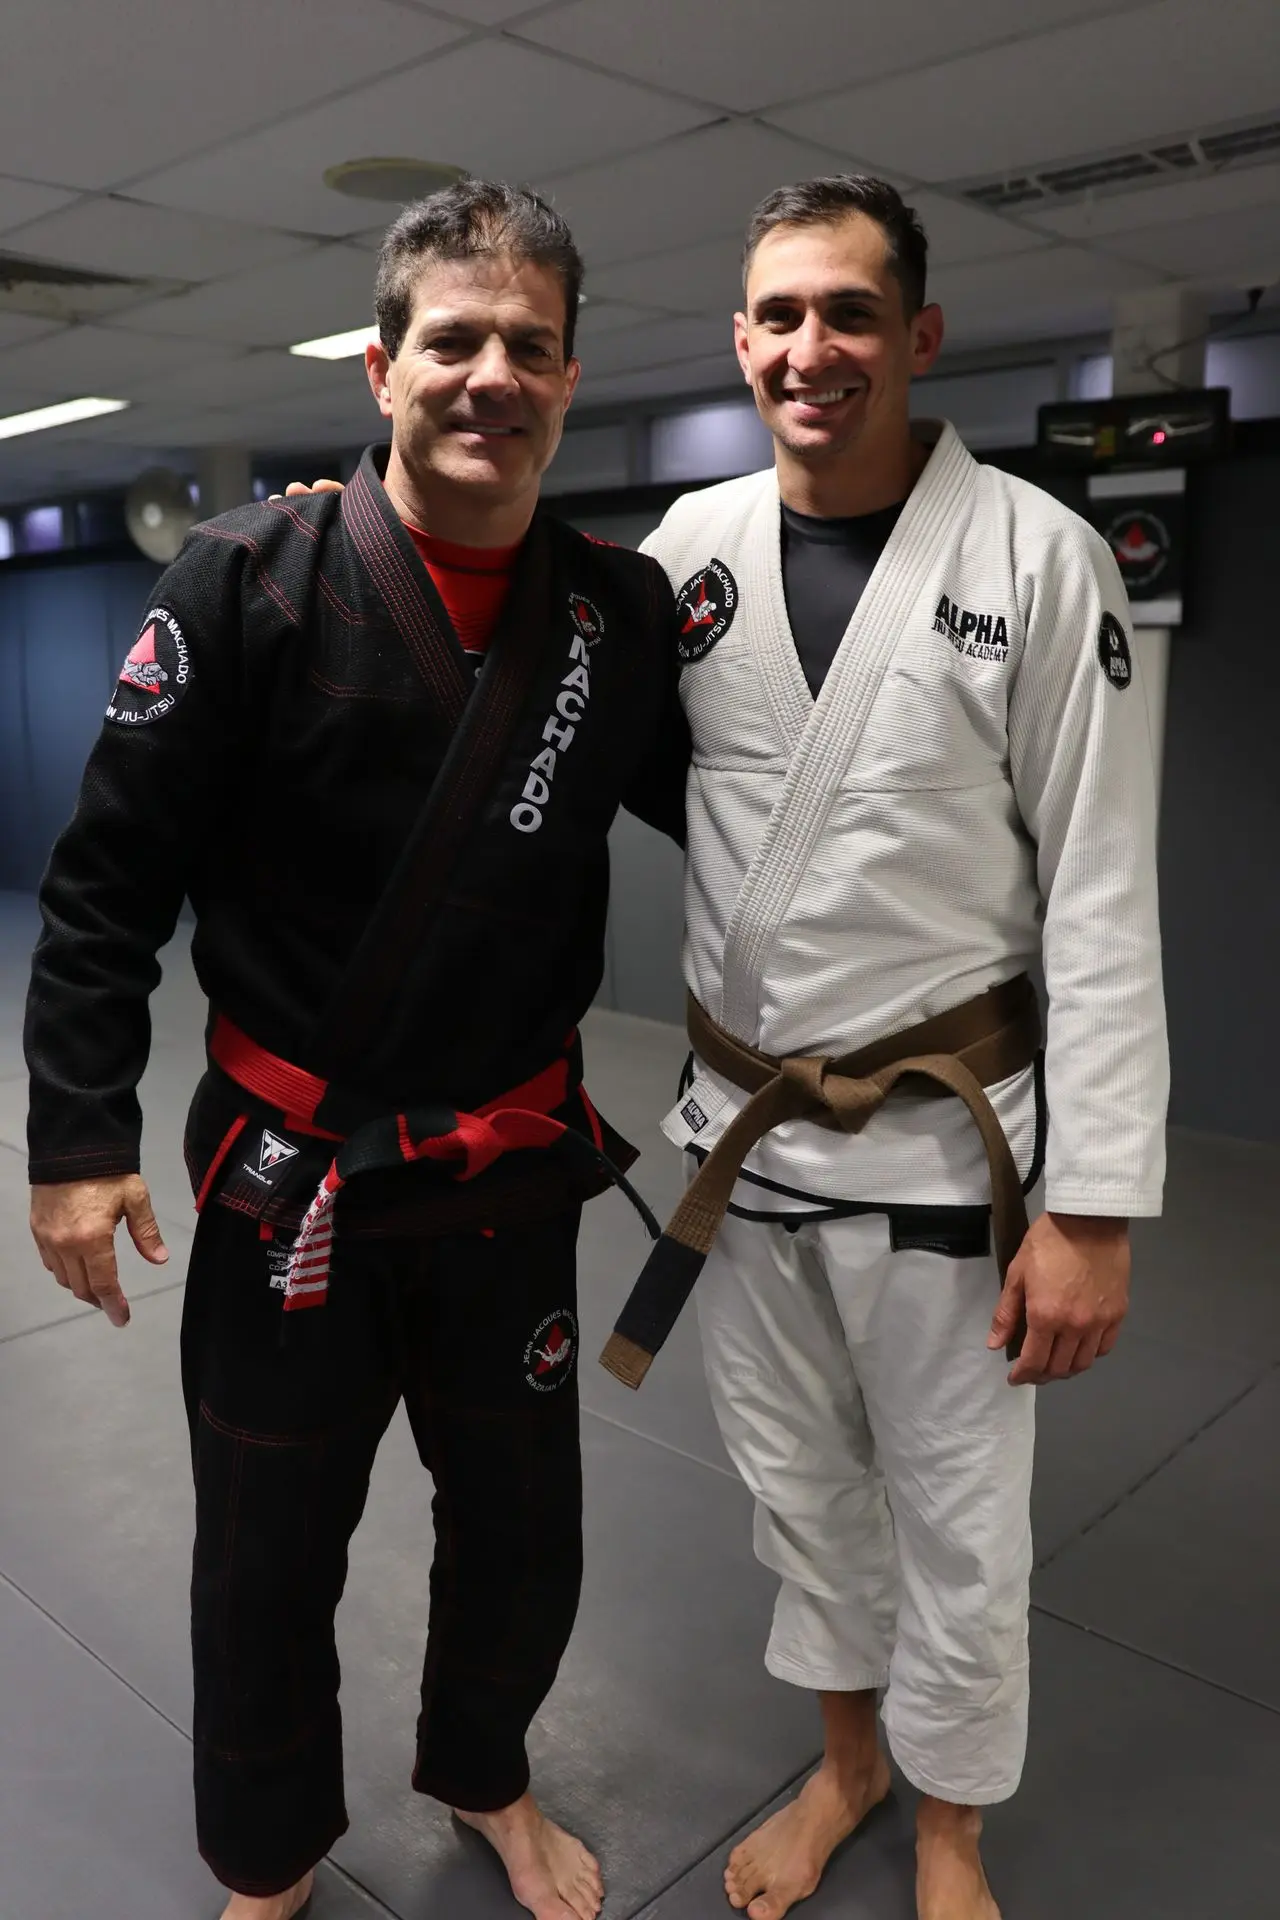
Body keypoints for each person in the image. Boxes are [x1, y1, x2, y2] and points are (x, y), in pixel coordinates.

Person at [24, 180, 687, 1920]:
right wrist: (77, 1139)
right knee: (265, 1555)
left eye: (527, 347)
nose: (491, 376)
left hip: (507, 1174)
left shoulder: (617, 623)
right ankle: (264, 1858)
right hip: (287, 1180)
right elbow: (105, 888)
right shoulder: (249, 580)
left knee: (523, 1531)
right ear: (381, 369)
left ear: (568, 373)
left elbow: (761, 822)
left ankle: (484, 1775)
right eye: (451, 343)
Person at [603, 176, 1168, 1920]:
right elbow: (513, 703)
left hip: (950, 1154)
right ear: (740, 340)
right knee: (797, 1492)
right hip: (745, 1142)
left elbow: (1102, 898)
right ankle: (849, 1758)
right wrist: (349, 528)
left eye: (850, 312)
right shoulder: (682, 561)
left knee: (959, 1519)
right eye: (779, 315)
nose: (811, 348)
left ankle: (949, 1823)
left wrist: (1096, 1207)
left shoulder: (1037, 558)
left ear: (918, 337)